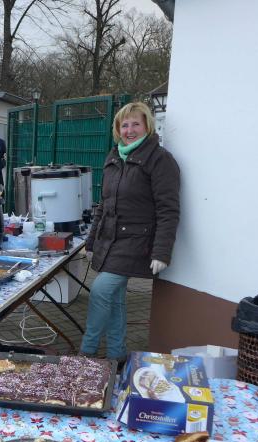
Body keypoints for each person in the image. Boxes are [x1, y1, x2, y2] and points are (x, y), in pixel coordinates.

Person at [81, 102, 180, 361]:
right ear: (118, 130)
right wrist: (91, 241)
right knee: (115, 300)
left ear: (147, 126)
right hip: (110, 241)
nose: (130, 130)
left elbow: (168, 210)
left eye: (136, 124)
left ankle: (86, 352)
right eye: (124, 125)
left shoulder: (160, 159)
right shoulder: (114, 156)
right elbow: (103, 205)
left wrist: (162, 252)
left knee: (101, 291)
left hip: (137, 241)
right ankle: (117, 355)